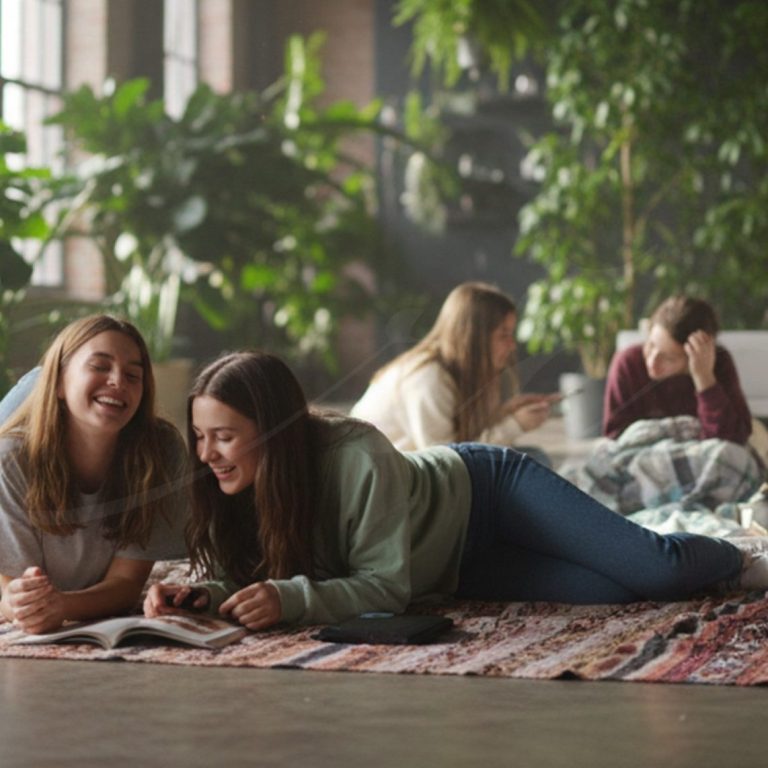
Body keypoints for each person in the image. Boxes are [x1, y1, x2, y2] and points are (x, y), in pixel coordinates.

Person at [144, 350, 768, 632]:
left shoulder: (355, 456)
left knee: (655, 571)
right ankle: (705, 562)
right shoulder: (230, 485)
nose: (206, 455)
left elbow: (386, 586)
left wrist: (290, 600)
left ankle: (740, 552)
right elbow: (235, 574)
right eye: (200, 436)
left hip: (490, 493)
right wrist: (200, 593)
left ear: (273, 434)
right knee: (616, 595)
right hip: (456, 571)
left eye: (223, 437)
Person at [0, 314, 189, 634]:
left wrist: (62, 606)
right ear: (59, 382)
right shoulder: (10, 461)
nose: (118, 380)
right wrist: (17, 602)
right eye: (100, 366)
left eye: (133, 375)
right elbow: (12, 585)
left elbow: (126, 582)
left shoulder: (161, 452)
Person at [350, 282, 559, 456]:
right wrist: (514, 425)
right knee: (531, 462)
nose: (512, 345)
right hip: (384, 486)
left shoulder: (464, 371)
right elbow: (446, 459)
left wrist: (505, 414)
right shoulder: (428, 377)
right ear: (474, 337)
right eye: (503, 335)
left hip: (410, 476)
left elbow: (463, 439)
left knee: (530, 459)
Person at [603, 295, 752, 443]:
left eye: (669, 358)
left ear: (694, 357)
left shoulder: (718, 363)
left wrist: (704, 379)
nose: (652, 362)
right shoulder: (627, 363)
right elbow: (615, 436)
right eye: (651, 344)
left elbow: (733, 440)